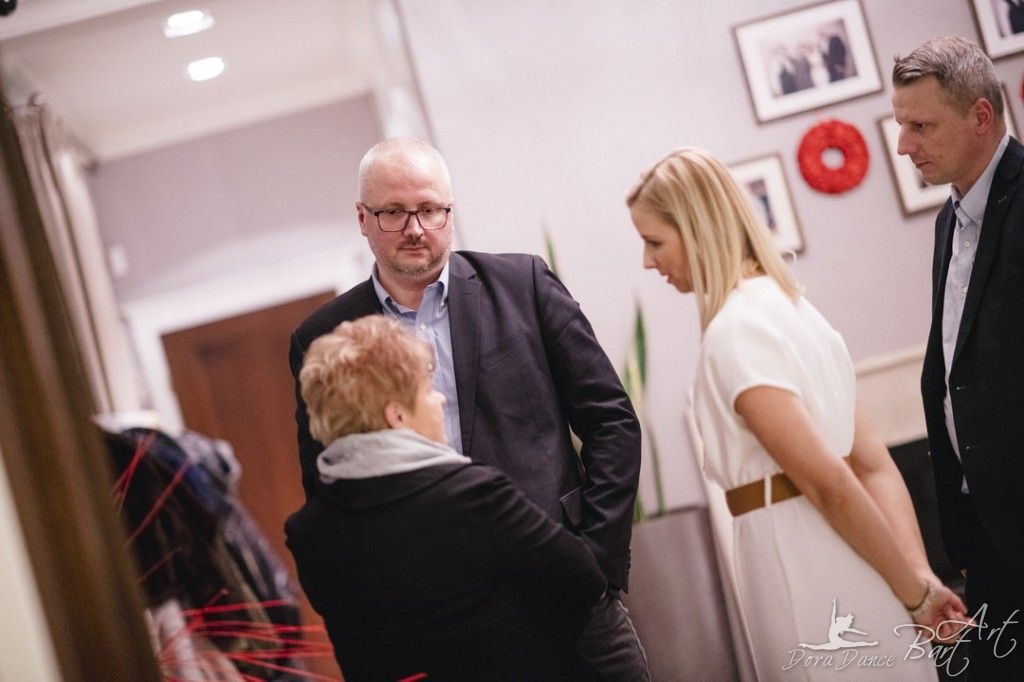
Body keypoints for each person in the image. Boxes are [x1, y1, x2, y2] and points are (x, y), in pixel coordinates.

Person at [289, 137, 648, 679]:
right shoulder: (326, 336)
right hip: (438, 623)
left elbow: (610, 420)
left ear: (449, 212)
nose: (415, 228)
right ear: (363, 218)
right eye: (393, 212)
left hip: (567, 591)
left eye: (430, 209)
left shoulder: (523, 285)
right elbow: (326, 482)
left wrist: (597, 560)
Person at [626, 147, 966, 680]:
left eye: (654, 242)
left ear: (695, 229)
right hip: (859, 557)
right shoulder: (800, 313)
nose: (649, 262)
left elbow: (829, 482)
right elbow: (873, 465)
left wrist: (917, 594)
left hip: (801, 560)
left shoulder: (735, 331)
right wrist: (917, 575)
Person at [285, 315, 606, 680]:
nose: (439, 399)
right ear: (397, 415)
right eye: (427, 389)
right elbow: (584, 579)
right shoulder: (471, 494)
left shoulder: (308, 533)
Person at [893, 35, 1024, 678]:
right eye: (901, 125)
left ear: (980, 115)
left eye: (920, 126)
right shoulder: (949, 220)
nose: (903, 145)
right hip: (986, 528)